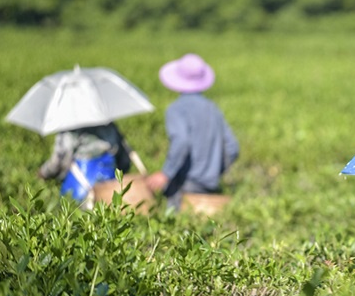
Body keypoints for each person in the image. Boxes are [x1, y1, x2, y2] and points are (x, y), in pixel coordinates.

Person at [144, 53, 240, 210]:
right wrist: (214, 170)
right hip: (211, 185)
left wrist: (166, 173)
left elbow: (181, 141)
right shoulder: (213, 108)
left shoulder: (176, 109)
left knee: (176, 223)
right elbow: (232, 147)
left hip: (186, 184)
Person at [37, 122, 133, 204]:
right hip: (110, 187)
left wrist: (43, 173)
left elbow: (59, 161)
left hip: (79, 190)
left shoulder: (69, 128)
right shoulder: (109, 124)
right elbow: (124, 159)